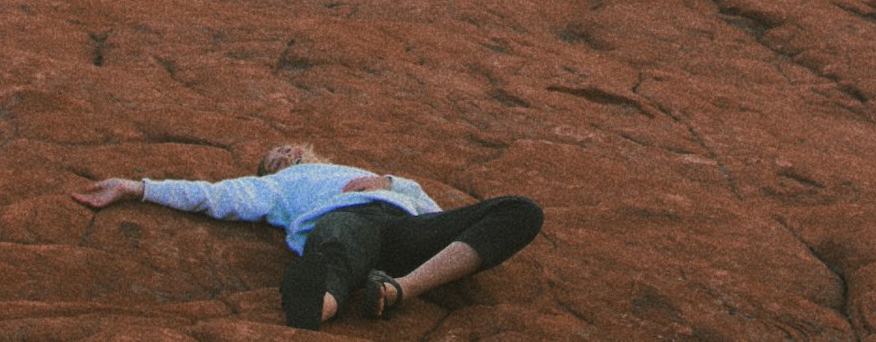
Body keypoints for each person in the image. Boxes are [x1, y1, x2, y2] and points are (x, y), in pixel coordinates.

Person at [72, 140, 543, 330]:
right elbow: (213, 196)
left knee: (521, 211)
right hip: (345, 222)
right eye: (275, 156)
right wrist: (138, 188)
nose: (285, 152)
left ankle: (401, 290)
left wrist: (391, 182)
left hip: (408, 228)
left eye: (290, 147)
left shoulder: (375, 174)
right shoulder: (276, 186)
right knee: (335, 248)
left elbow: (440, 210)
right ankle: (318, 305)